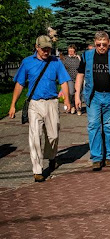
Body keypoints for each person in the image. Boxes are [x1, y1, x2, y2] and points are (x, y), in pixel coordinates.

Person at [9, 35, 71, 182]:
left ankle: (51, 157)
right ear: (36, 47)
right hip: (35, 104)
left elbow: (63, 81)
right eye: (43, 48)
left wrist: (67, 100)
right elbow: (19, 84)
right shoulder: (27, 62)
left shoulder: (56, 62)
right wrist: (13, 105)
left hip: (52, 103)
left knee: (53, 135)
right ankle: (37, 170)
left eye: (48, 48)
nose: (46, 51)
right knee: (35, 137)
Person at [75, 31, 110, 170]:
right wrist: (77, 95)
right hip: (94, 96)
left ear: (108, 43)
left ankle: (108, 156)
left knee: (108, 127)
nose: (101, 47)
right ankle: (97, 158)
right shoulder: (86, 56)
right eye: (98, 44)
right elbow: (80, 76)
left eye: (104, 44)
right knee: (93, 125)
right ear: (95, 43)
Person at [63, 44, 81, 115]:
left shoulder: (78, 58)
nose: (70, 52)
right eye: (69, 51)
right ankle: (72, 105)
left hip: (78, 78)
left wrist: (79, 59)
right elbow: (63, 69)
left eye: (72, 51)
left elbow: (82, 67)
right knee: (71, 92)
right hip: (69, 78)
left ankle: (78, 109)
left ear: (75, 51)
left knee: (78, 93)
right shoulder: (65, 58)